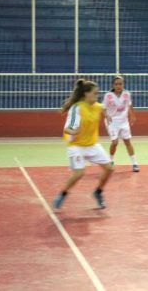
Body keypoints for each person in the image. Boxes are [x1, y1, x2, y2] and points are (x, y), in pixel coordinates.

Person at [53, 79, 113, 209]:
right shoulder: (77, 108)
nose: (97, 96)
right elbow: (67, 129)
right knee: (79, 173)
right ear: (86, 94)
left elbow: (104, 108)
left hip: (92, 144)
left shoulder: (97, 106)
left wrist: (107, 115)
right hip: (76, 145)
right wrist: (74, 130)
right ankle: (62, 194)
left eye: (98, 94)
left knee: (109, 168)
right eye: (95, 94)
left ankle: (98, 192)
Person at [103, 76, 140, 172]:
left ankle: (135, 163)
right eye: (116, 84)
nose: (118, 86)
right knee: (115, 143)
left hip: (124, 121)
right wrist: (106, 115)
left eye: (120, 84)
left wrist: (132, 115)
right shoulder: (108, 96)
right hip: (112, 121)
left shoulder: (127, 94)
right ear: (113, 85)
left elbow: (130, 105)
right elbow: (104, 108)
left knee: (127, 141)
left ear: (123, 84)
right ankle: (110, 160)